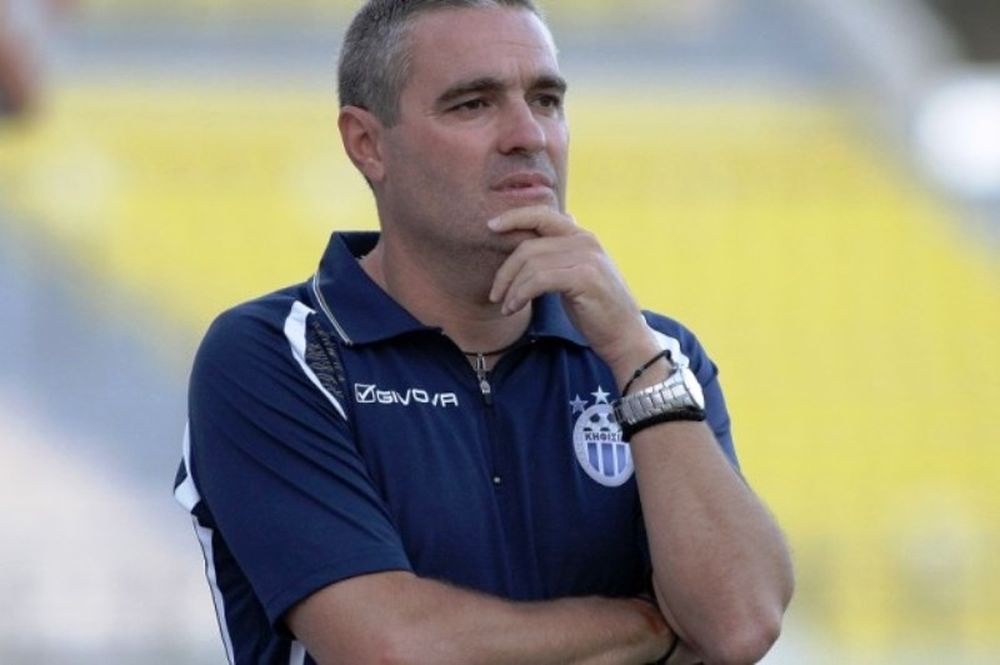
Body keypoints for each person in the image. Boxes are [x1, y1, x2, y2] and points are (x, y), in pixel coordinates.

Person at [173, 1, 794, 663]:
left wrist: (632, 353)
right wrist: (649, 628)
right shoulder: (280, 354)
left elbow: (739, 625)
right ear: (368, 144)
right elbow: (392, 650)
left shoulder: (653, 355)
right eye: (473, 104)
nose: (529, 135)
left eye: (547, 100)